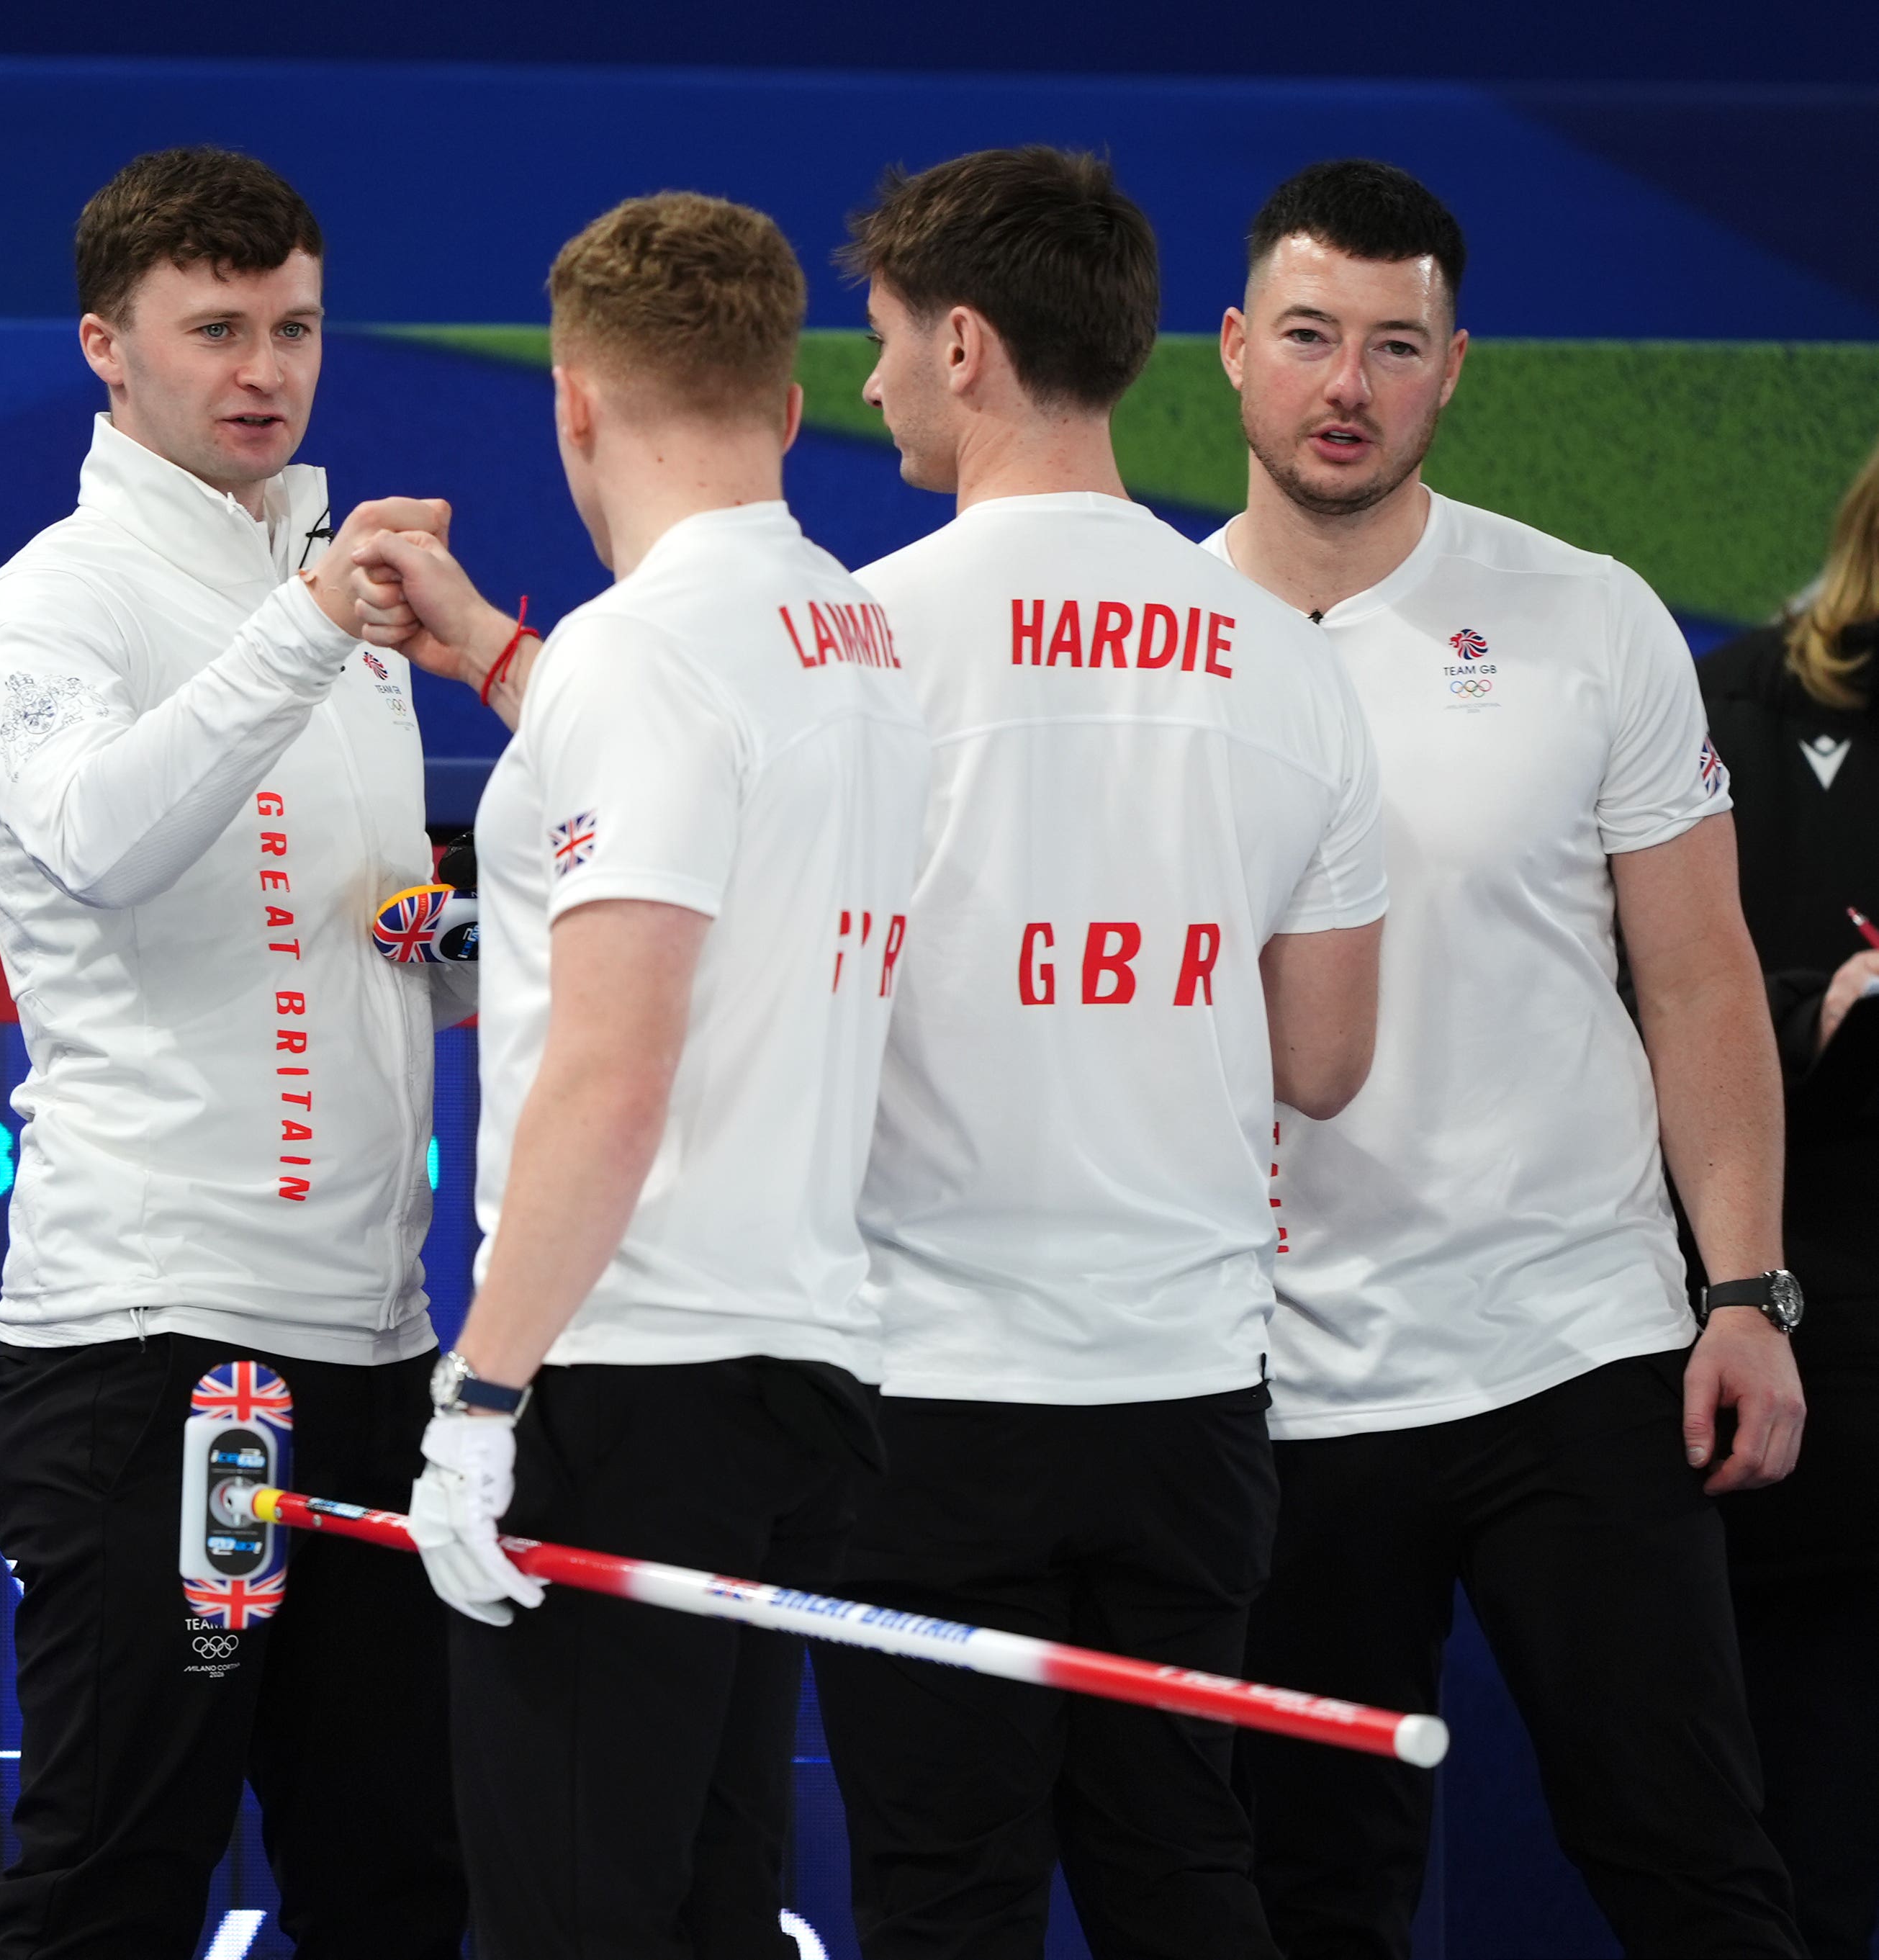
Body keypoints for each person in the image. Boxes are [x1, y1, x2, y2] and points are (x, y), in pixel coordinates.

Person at [1209, 158, 1807, 1958]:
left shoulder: (1589, 615)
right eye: (1310, 337)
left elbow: (1698, 978)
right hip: (1272, 1378)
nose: (1347, 384)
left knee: (1692, 1859)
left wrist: (1748, 1292)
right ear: (1233, 351)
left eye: (1395, 346)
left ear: (1452, 369)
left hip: (1579, 1350)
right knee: (1312, 1898)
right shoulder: (1159, 644)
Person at [803, 147, 1386, 1960]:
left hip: (920, 1389)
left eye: (889, 338)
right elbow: (1325, 1057)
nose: (875, 377)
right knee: (1178, 1869)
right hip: (1190, 1399)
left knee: (942, 1893)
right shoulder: (1291, 665)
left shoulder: (852, 642)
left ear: (966, 342)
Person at [346, 191, 934, 1958]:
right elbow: (698, 785)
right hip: (795, 1377)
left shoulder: (639, 658)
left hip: (620, 1381)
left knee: (571, 1925)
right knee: (702, 1910)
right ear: (781, 396)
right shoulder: (852, 637)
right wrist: (503, 657)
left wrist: (479, 1405)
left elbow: (609, 1074)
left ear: (572, 399)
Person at [0, 146, 472, 1959]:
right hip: (154, 1343)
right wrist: (308, 624)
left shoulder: (344, 615)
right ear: (106, 345)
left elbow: (364, 924)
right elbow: (97, 832)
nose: (264, 368)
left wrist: (467, 945)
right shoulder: (45, 609)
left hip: (378, 1342)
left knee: (396, 1882)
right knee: (110, 1880)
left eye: (294, 326)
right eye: (215, 327)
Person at [1696, 435, 1879, 1958]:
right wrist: (1822, 1004)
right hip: (1824, 1388)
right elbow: (1650, 988)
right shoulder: (1743, 706)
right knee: (1800, 1867)